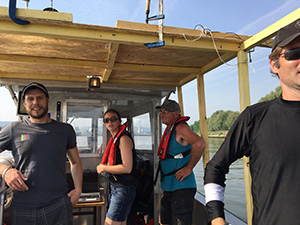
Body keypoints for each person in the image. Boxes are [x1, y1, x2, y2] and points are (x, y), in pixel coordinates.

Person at [204, 19, 300, 225]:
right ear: (274, 64)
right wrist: (216, 218)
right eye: (294, 53)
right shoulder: (255, 119)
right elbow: (215, 168)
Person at [0, 82, 83, 225]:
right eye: (30, 99)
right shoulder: (13, 129)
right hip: (23, 206)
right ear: (24, 103)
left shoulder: (65, 130)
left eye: (40, 98)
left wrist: (78, 189)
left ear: (47, 100)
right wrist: (5, 171)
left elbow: (75, 162)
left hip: (57, 203)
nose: (35, 103)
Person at [155, 100, 206, 225]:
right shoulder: (169, 129)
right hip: (169, 186)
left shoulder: (181, 128)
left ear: (176, 113)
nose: (162, 114)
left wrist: (189, 168)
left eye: (165, 111)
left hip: (182, 187)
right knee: (164, 221)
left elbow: (200, 144)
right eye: (161, 112)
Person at [97, 109, 136, 225]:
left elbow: (127, 168)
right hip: (116, 188)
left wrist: (103, 168)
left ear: (119, 121)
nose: (110, 122)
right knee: (120, 222)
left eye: (113, 119)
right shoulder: (115, 139)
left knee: (110, 223)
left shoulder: (123, 139)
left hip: (123, 189)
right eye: (106, 120)